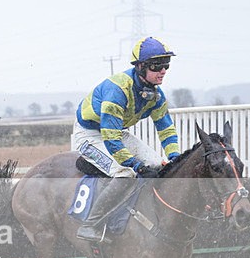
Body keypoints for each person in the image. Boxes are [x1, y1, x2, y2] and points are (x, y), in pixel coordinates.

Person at [72, 37, 181, 242]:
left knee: (160, 165)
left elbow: (166, 129)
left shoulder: (157, 95)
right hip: (89, 135)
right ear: (140, 67)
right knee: (125, 175)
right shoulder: (118, 89)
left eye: (166, 65)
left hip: (115, 131)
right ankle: (90, 225)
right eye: (157, 65)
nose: (163, 70)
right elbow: (111, 140)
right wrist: (137, 166)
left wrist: (175, 157)